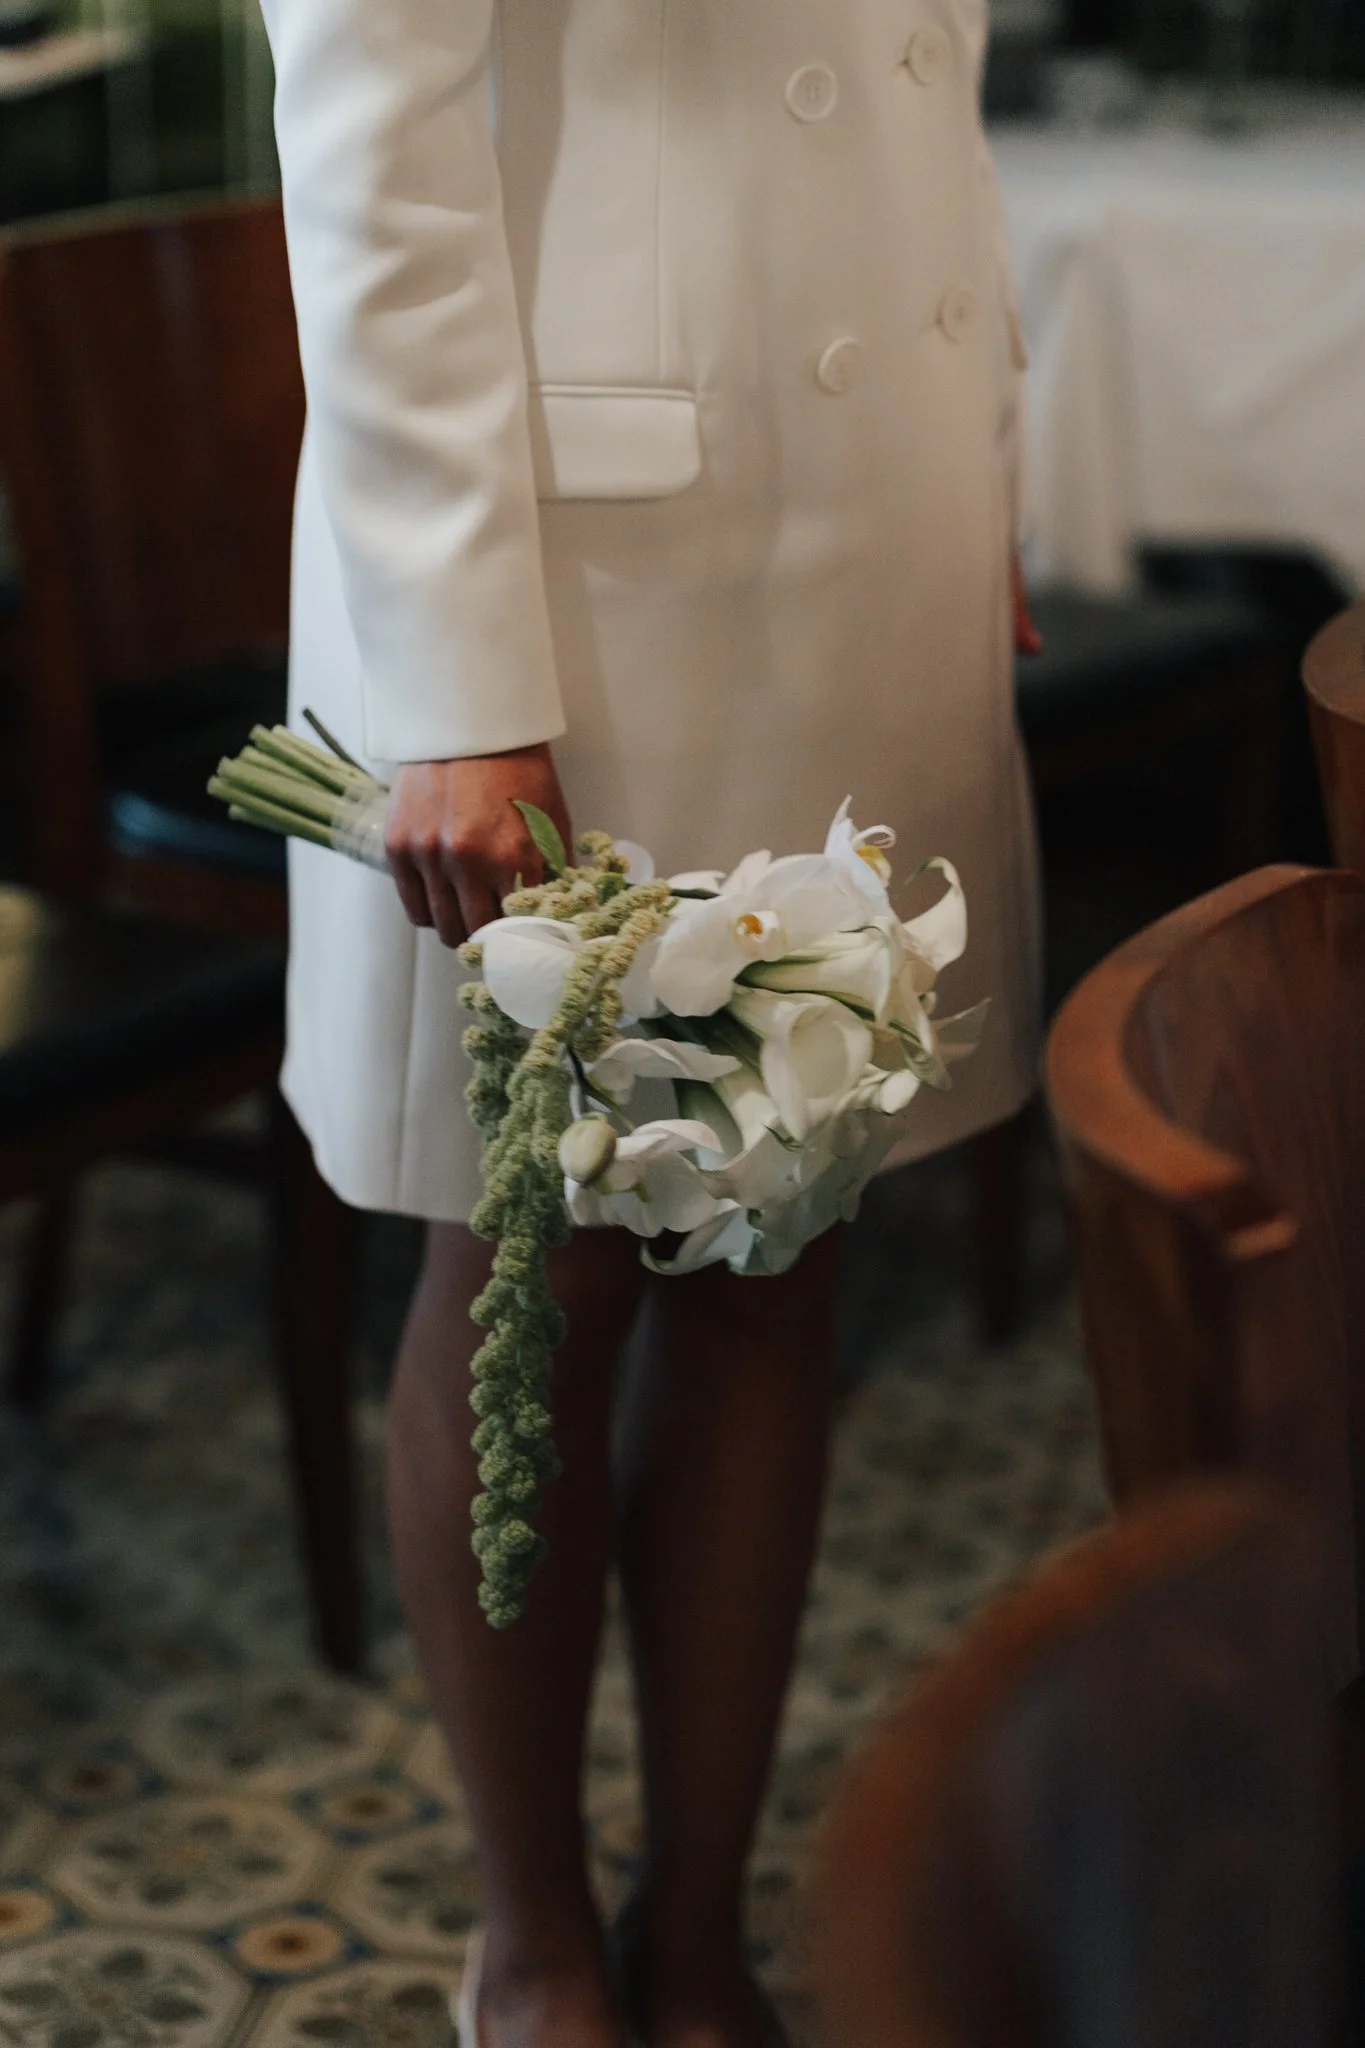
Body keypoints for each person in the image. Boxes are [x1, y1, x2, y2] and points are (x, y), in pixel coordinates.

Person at [257, 3, 1042, 2047]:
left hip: (856, 516)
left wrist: (984, 445)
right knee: (533, 1261)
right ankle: (532, 1947)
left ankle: (696, 1928)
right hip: (562, 589)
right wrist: (457, 681)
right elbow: (366, 110)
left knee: (783, 1249)